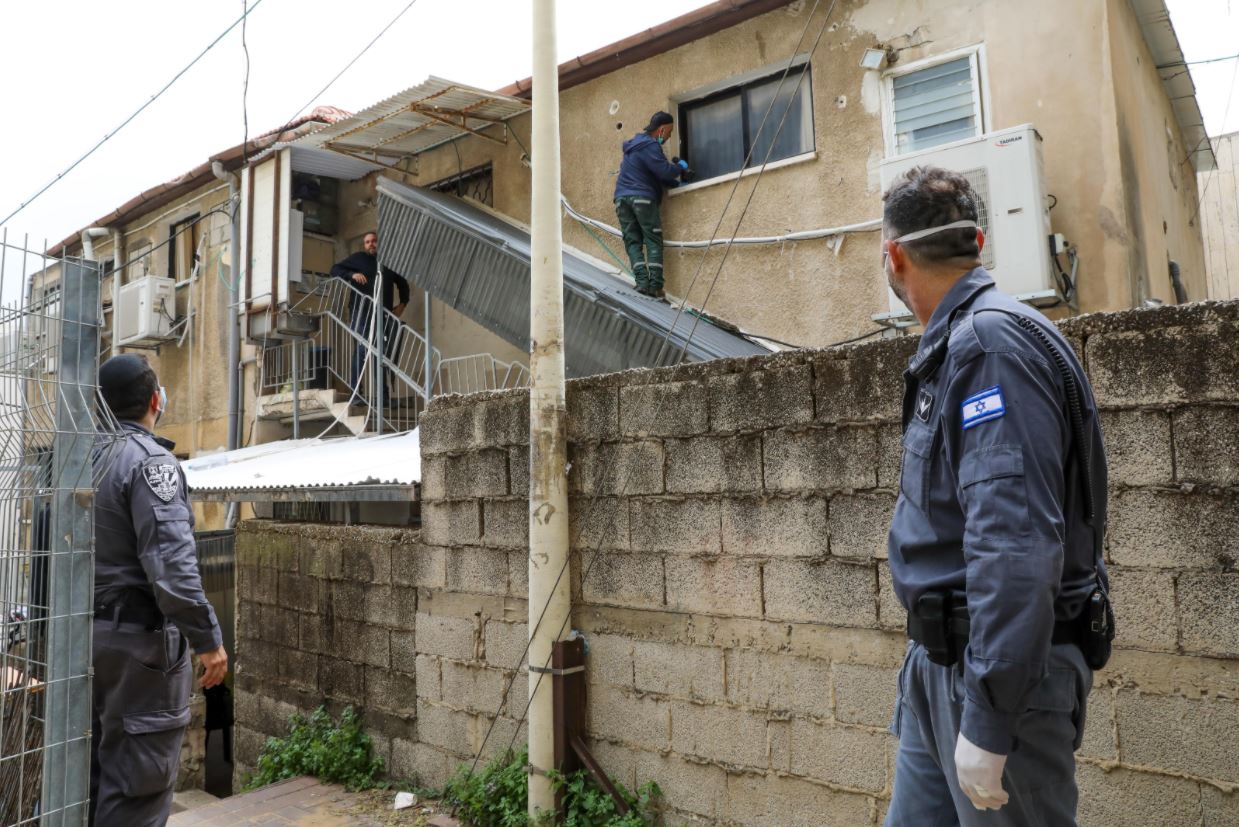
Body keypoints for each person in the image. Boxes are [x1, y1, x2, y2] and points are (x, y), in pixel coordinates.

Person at [882, 167, 1111, 825]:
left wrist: (986, 716)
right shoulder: (963, 342)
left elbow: (1013, 542)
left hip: (993, 680)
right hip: (942, 665)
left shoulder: (987, 347)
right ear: (978, 239)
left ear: (892, 255)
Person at [92, 354, 228, 827]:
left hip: (81, 641)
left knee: (89, 778)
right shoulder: (151, 464)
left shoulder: (78, 460)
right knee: (137, 786)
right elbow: (171, 568)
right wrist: (208, 641)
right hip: (140, 647)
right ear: (155, 401)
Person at [614, 111, 689, 298]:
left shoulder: (634, 147)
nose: (669, 136)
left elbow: (656, 173)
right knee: (653, 240)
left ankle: (641, 283)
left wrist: (674, 183)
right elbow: (664, 171)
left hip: (621, 199)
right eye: (669, 132)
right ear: (661, 129)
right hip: (642, 198)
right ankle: (655, 286)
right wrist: (680, 168)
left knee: (633, 241)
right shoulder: (650, 145)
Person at [330, 230, 410, 404]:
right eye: (367, 242)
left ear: (379, 243)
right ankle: (356, 394)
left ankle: (383, 397)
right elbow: (335, 269)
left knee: (380, 354)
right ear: (364, 245)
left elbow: (403, 284)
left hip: (383, 314)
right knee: (362, 350)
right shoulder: (358, 258)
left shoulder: (388, 262)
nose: (371, 244)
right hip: (361, 312)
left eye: (374, 241)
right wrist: (351, 275)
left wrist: (402, 304)